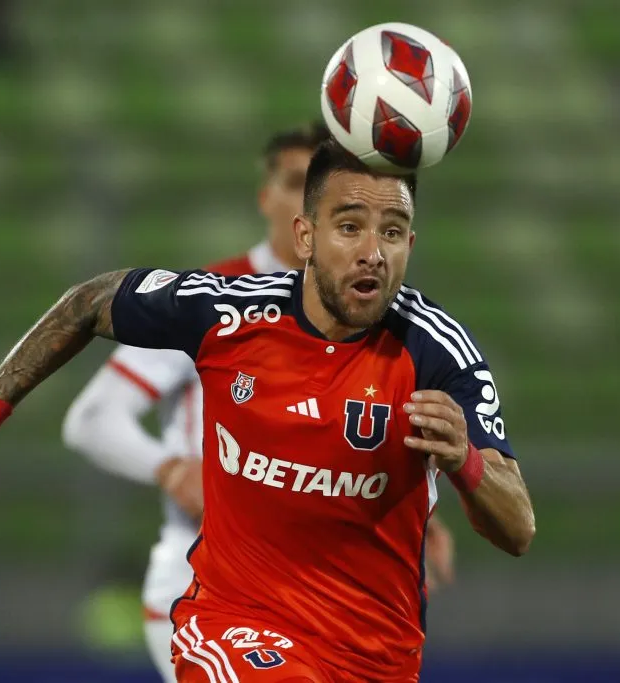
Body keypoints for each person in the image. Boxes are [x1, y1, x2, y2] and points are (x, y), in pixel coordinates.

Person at [0, 140, 535, 683]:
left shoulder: (437, 353)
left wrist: (466, 463)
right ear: (305, 236)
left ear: (411, 243)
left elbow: (518, 529)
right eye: (350, 227)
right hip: (233, 624)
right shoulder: (229, 315)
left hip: (375, 657)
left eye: (392, 232)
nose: (373, 251)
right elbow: (87, 303)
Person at [60, 123, 455, 682]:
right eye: (293, 182)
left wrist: (413, 517)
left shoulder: (377, 323)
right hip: (209, 584)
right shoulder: (215, 299)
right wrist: (170, 467)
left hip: (327, 607)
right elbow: (92, 419)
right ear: (272, 201)